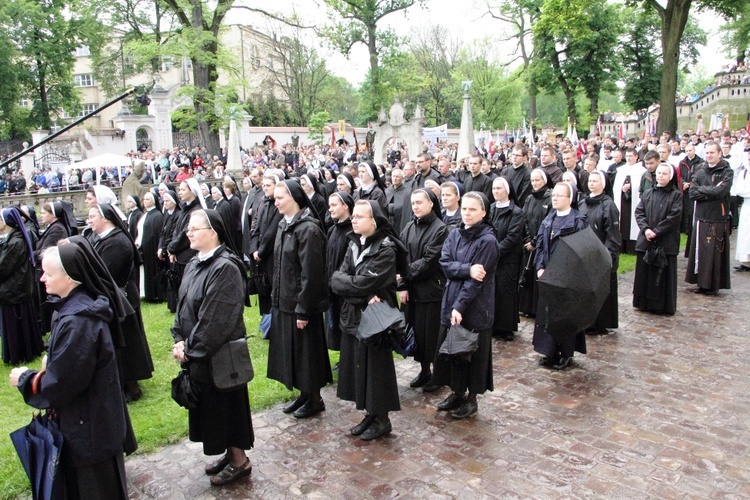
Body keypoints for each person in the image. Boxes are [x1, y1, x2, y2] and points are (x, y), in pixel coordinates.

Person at [10, 243, 134, 498]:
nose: (42, 279)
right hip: (93, 422)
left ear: (70, 277)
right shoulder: (77, 308)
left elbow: (62, 384)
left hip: (88, 431)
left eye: (48, 273)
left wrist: (26, 379)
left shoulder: (79, 322)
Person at [170, 209, 254, 486]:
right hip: (200, 352)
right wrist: (178, 337)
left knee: (226, 408)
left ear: (213, 232)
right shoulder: (196, 263)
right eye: (188, 229)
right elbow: (183, 303)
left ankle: (240, 460)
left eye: (194, 229)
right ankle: (229, 453)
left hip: (220, 356)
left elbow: (216, 318)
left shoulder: (226, 268)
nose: (189, 233)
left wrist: (191, 348)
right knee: (212, 411)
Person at [331, 200, 403, 439]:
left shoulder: (386, 248)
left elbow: (363, 282)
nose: (354, 220)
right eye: (354, 216)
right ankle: (369, 413)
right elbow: (336, 278)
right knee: (359, 367)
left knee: (376, 370)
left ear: (374, 221)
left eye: (359, 217)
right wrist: (360, 291)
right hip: (355, 315)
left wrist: (355, 287)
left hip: (375, 321)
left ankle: (382, 418)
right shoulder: (354, 242)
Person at [267, 180, 332, 419]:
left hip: (303, 305)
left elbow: (311, 273)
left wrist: (303, 309)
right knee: (294, 353)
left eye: (280, 198)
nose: (276, 202)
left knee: (307, 356)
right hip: (286, 301)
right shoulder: (284, 225)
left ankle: (315, 398)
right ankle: (304, 394)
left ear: (294, 198)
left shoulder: (309, 229)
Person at [432, 192, 500, 419]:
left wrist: (459, 306)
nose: (467, 214)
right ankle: (457, 392)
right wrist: (466, 268)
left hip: (475, 305)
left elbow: (476, 281)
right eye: (465, 209)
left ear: (484, 212)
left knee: (473, 353)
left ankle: (471, 399)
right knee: (454, 349)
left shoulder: (488, 241)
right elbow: (445, 264)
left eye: (473, 209)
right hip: (451, 299)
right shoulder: (454, 234)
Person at [89, 204, 154, 401]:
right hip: (114, 297)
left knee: (127, 343)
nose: (89, 219)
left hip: (121, 299)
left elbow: (105, 273)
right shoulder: (101, 238)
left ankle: (131, 386)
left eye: (93, 216)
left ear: (105, 218)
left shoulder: (117, 242)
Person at [533, 182, 588, 370]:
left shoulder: (578, 220)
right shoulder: (548, 219)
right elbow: (539, 245)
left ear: (570, 199)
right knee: (548, 313)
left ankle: (565, 353)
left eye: (559, 195)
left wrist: (566, 272)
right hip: (548, 274)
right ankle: (548, 350)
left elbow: (581, 252)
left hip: (567, 277)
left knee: (565, 315)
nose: (554, 198)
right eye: (553, 195)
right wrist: (539, 266)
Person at [399, 189, 449, 392]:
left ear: (431, 203)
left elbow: (430, 261)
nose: (416, 206)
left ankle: (438, 375)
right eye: (413, 203)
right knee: (417, 334)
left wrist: (404, 275)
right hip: (412, 291)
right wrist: (402, 285)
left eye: (420, 202)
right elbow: (400, 256)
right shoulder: (409, 226)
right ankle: (424, 371)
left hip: (432, 290)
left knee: (432, 336)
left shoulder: (441, 229)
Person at [633, 163, 683, 314]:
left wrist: (658, 231)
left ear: (670, 176)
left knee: (663, 275)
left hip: (665, 240)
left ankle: (662, 306)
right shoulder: (648, 193)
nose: (661, 176)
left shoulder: (676, 195)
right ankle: (643, 303)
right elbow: (639, 212)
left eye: (664, 174)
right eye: (659, 173)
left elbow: (674, 217)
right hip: (647, 238)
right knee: (644, 273)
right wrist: (646, 229)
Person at [686, 141, 734, 294]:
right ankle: (701, 283)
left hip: (717, 217)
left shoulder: (727, 171)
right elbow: (692, 193)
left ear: (719, 153)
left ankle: (713, 285)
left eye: (712, 152)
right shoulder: (700, 171)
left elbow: (721, 192)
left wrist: (703, 190)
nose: (709, 155)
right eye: (707, 153)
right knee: (701, 252)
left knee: (714, 253)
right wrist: (711, 191)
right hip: (701, 216)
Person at [579, 171, 622, 331]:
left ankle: (599, 324)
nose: (591, 183)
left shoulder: (608, 205)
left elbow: (613, 234)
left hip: (601, 252)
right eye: (590, 180)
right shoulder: (583, 203)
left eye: (595, 181)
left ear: (603, 184)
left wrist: (608, 255)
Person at [0, 207, 44, 364]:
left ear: (6, 223)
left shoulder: (15, 242)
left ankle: (19, 354)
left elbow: (3, 267)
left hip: (13, 290)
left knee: (16, 326)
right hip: (15, 289)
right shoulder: (13, 238)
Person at [489, 177, 525, 341]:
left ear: (507, 190)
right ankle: (494, 324)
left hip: (508, 258)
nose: (496, 191)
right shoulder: (490, 208)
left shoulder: (516, 212)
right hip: (492, 257)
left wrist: (495, 251)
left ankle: (506, 327)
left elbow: (512, 237)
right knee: (493, 291)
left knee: (506, 292)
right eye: (494, 188)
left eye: (499, 188)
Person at [248, 173, 284, 336]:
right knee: (262, 288)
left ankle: (273, 325)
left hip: (271, 254)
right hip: (260, 254)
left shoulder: (278, 206)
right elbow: (255, 226)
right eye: (264, 185)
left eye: (268, 185)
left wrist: (261, 252)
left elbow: (272, 232)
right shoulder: (262, 202)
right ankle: (266, 323)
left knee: (272, 287)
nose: (265, 188)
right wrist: (254, 248)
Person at [519, 169, 552, 318]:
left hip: (542, 243)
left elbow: (547, 223)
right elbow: (524, 219)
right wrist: (527, 239)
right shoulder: (529, 199)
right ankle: (527, 307)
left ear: (544, 181)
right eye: (533, 180)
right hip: (529, 243)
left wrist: (535, 241)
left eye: (537, 180)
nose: (535, 183)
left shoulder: (549, 199)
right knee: (528, 274)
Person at [325, 192, 354, 353]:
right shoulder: (333, 229)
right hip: (332, 285)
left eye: (334, 205)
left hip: (345, 286)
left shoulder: (352, 231)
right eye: (330, 205)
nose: (330, 209)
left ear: (345, 206)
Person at [135, 191, 165, 302]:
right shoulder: (145, 214)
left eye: (147, 199)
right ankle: (147, 293)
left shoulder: (157, 215)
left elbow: (158, 233)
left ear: (154, 201)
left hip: (152, 248)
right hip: (144, 248)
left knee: (153, 270)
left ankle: (155, 294)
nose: (145, 201)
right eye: (144, 199)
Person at [158, 190, 181, 312]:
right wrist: (160, 247)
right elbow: (162, 232)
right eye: (164, 201)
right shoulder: (167, 214)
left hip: (172, 248)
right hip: (166, 248)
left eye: (167, 201)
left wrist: (167, 248)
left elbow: (173, 233)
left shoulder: (178, 214)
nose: (165, 203)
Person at [732, 150, 750, 271]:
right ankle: (745, 261)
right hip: (747, 205)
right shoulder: (744, 172)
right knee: (745, 234)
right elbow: (739, 189)